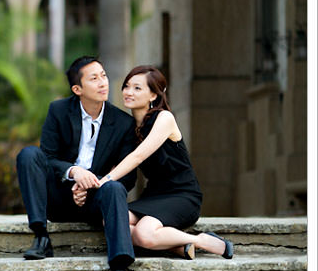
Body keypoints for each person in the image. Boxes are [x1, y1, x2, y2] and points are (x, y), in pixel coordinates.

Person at [16, 56, 140, 271]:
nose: (103, 82)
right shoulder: (59, 111)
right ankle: (41, 237)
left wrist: (91, 184)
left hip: (97, 200)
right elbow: (48, 157)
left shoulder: (123, 123)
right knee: (29, 155)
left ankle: (119, 270)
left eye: (103, 75)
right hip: (59, 198)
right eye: (94, 78)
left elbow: (128, 177)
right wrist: (74, 172)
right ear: (77, 89)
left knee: (115, 187)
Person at [92, 65, 234, 259]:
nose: (128, 92)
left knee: (144, 233)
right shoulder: (128, 127)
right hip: (153, 196)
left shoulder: (164, 118)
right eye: (126, 86)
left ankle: (202, 240)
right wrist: (86, 185)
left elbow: (137, 156)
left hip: (182, 194)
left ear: (153, 95)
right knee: (113, 220)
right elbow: (117, 165)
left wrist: (104, 181)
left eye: (137, 88)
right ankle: (178, 246)